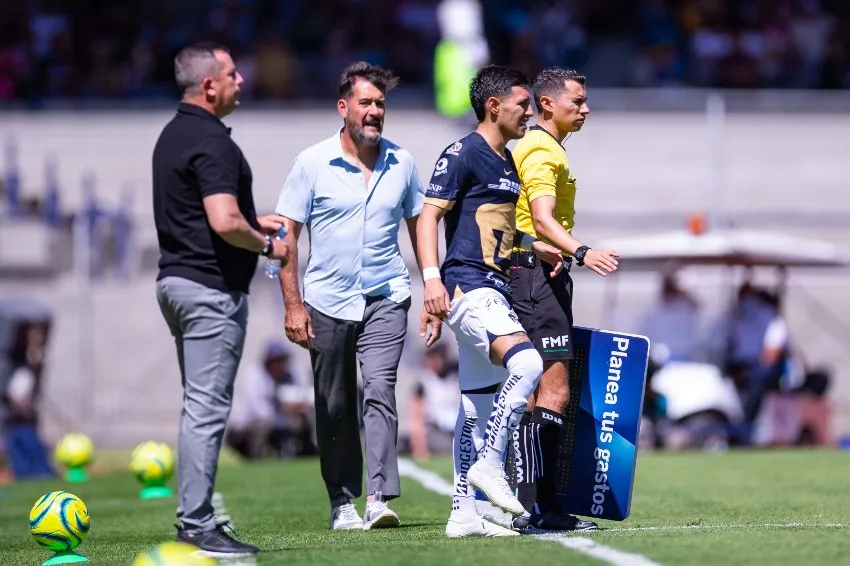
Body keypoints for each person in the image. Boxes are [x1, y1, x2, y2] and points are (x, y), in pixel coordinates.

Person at [275, 61, 441, 531]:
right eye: (365, 103)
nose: (374, 112)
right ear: (343, 107)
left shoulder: (402, 162)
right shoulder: (311, 163)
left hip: (386, 294)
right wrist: (293, 304)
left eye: (381, 104)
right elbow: (287, 235)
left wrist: (431, 281)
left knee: (380, 388)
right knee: (333, 403)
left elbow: (419, 223)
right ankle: (341, 500)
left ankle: (380, 496)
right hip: (326, 300)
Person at [417, 64, 565, 538]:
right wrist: (431, 281)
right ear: (493, 106)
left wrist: (533, 245)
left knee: (477, 407)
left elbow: (495, 229)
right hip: (468, 286)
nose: (529, 112)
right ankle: (489, 467)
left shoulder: (507, 161)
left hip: (493, 286)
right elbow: (427, 218)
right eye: (523, 104)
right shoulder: (462, 152)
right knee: (526, 365)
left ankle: (463, 513)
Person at [152, 41, 289, 557]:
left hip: (177, 283)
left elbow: (208, 218)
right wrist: (267, 244)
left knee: (198, 407)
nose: (242, 80)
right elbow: (222, 221)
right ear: (209, 85)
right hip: (209, 290)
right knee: (207, 410)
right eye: (232, 74)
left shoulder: (172, 134)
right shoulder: (211, 140)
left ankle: (196, 517)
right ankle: (196, 523)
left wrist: (253, 223)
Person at [509, 67, 618, 532]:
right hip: (535, 278)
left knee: (537, 394)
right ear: (548, 104)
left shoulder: (546, 148)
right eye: (578, 100)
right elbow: (541, 218)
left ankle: (533, 505)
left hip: (539, 273)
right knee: (553, 391)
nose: (586, 108)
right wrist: (582, 250)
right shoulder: (540, 149)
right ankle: (541, 509)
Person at [408, 343, 460, 460]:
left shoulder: (456, 376)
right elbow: (416, 416)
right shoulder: (424, 381)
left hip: (457, 428)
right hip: (435, 431)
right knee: (449, 448)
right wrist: (420, 447)